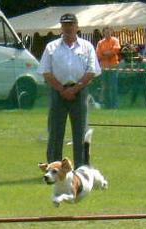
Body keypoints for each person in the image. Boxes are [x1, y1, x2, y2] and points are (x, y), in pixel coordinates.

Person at [38, 13, 101, 169]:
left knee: (80, 132)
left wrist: (75, 88)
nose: (68, 28)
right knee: (55, 132)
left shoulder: (87, 47)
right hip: (57, 92)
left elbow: (91, 71)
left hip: (79, 92)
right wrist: (62, 89)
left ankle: (81, 169)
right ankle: (54, 168)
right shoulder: (51, 47)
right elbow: (46, 71)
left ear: (77, 26)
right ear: (61, 27)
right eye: (65, 25)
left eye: (71, 24)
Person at [96, 27, 120, 108]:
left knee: (113, 86)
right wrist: (109, 53)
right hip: (104, 67)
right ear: (103, 33)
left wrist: (105, 53)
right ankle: (107, 104)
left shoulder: (115, 40)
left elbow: (116, 50)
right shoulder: (100, 43)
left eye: (109, 32)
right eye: (106, 32)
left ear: (111, 32)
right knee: (105, 86)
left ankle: (115, 104)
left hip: (113, 66)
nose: (107, 34)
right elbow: (98, 55)